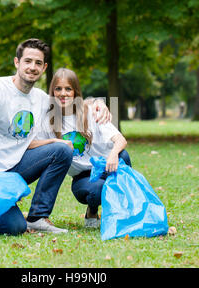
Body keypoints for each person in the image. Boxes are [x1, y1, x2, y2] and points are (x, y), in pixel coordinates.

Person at [0, 39, 110, 235]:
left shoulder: (39, 98)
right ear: (17, 62)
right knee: (14, 227)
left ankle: (37, 218)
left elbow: (71, 102)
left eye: (38, 63)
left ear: (44, 67)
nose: (32, 67)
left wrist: (98, 103)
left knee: (62, 149)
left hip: (16, 167)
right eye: (28, 61)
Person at [29, 68, 131, 228]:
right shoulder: (47, 120)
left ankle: (122, 212)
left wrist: (113, 154)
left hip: (107, 165)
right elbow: (31, 144)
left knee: (123, 156)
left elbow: (120, 140)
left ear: (75, 91)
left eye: (68, 89)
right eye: (58, 89)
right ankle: (92, 210)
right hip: (83, 177)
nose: (63, 93)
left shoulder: (91, 112)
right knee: (97, 190)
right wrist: (56, 142)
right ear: (52, 92)